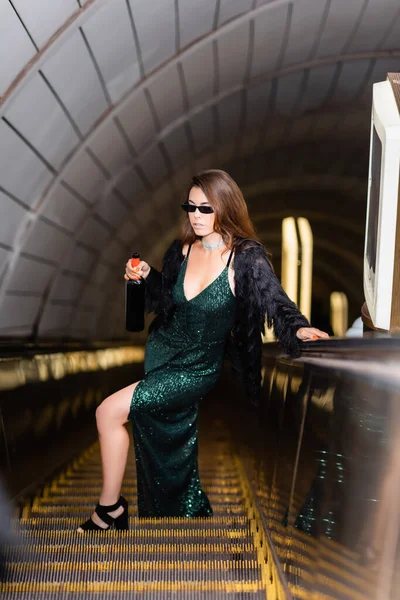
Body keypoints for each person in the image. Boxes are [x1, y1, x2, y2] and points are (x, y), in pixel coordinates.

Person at [77, 169, 329, 531]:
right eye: (190, 207)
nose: (195, 215)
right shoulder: (182, 249)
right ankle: (175, 505)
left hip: (197, 369)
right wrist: (146, 275)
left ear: (225, 209)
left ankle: (110, 510)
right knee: (158, 430)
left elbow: (275, 300)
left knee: (108, 412)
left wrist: (298, 327)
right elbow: (169, 301)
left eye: (205, 208)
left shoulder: (245, 258)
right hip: (163, 355)